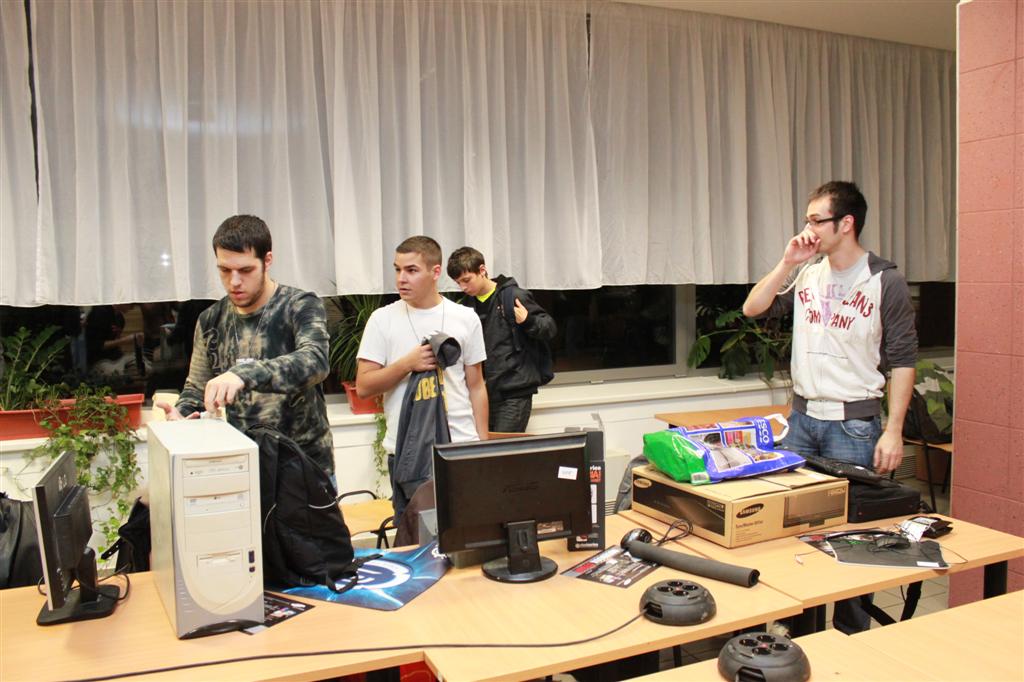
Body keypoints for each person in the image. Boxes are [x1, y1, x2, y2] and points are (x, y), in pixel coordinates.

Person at [742, 180, 917, 634]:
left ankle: (850, 637)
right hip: (802, 420)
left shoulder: (884, 280)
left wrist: (893, 430)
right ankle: (799, 632)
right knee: (793, 531)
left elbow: (903, 360)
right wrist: (788, 262)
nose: (808, 230)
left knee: (854, 539)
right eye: (807, 220)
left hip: (853, 424)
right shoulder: (808, 274)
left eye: (816, 221)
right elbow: (753, 308)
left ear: (846, 223)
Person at [157, 215, 334, 476]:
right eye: (224, 270)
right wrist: (182, 416)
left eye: (246, 270)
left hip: (305, 468)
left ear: (267, 260)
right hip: (241, 465)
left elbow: (315, 361)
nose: (234, 282)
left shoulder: (300, 305)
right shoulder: (210, 320)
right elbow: (197, 388)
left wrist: (243, 374)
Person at [356, 236, 488, 516]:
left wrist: (482, 445)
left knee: (468, 534)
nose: (401, 278)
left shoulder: (465, 318)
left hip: (460, 447)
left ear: (435, 272)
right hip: (406, 449)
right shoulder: (382, 320)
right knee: (415, 537)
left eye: (411, 270)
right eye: (397, 269)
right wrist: (406, 364)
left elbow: (476, 386)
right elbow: (364, 386)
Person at [447, 246, 557, 433]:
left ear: (482, 270)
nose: (463, 287)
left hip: (515, 392)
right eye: (458, 283)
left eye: (466, 280)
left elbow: (550, 328)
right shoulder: (464, 307)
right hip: (482, 393)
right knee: (485, 448)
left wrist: (528, 321)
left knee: (504, 448)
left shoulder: (512, 296)